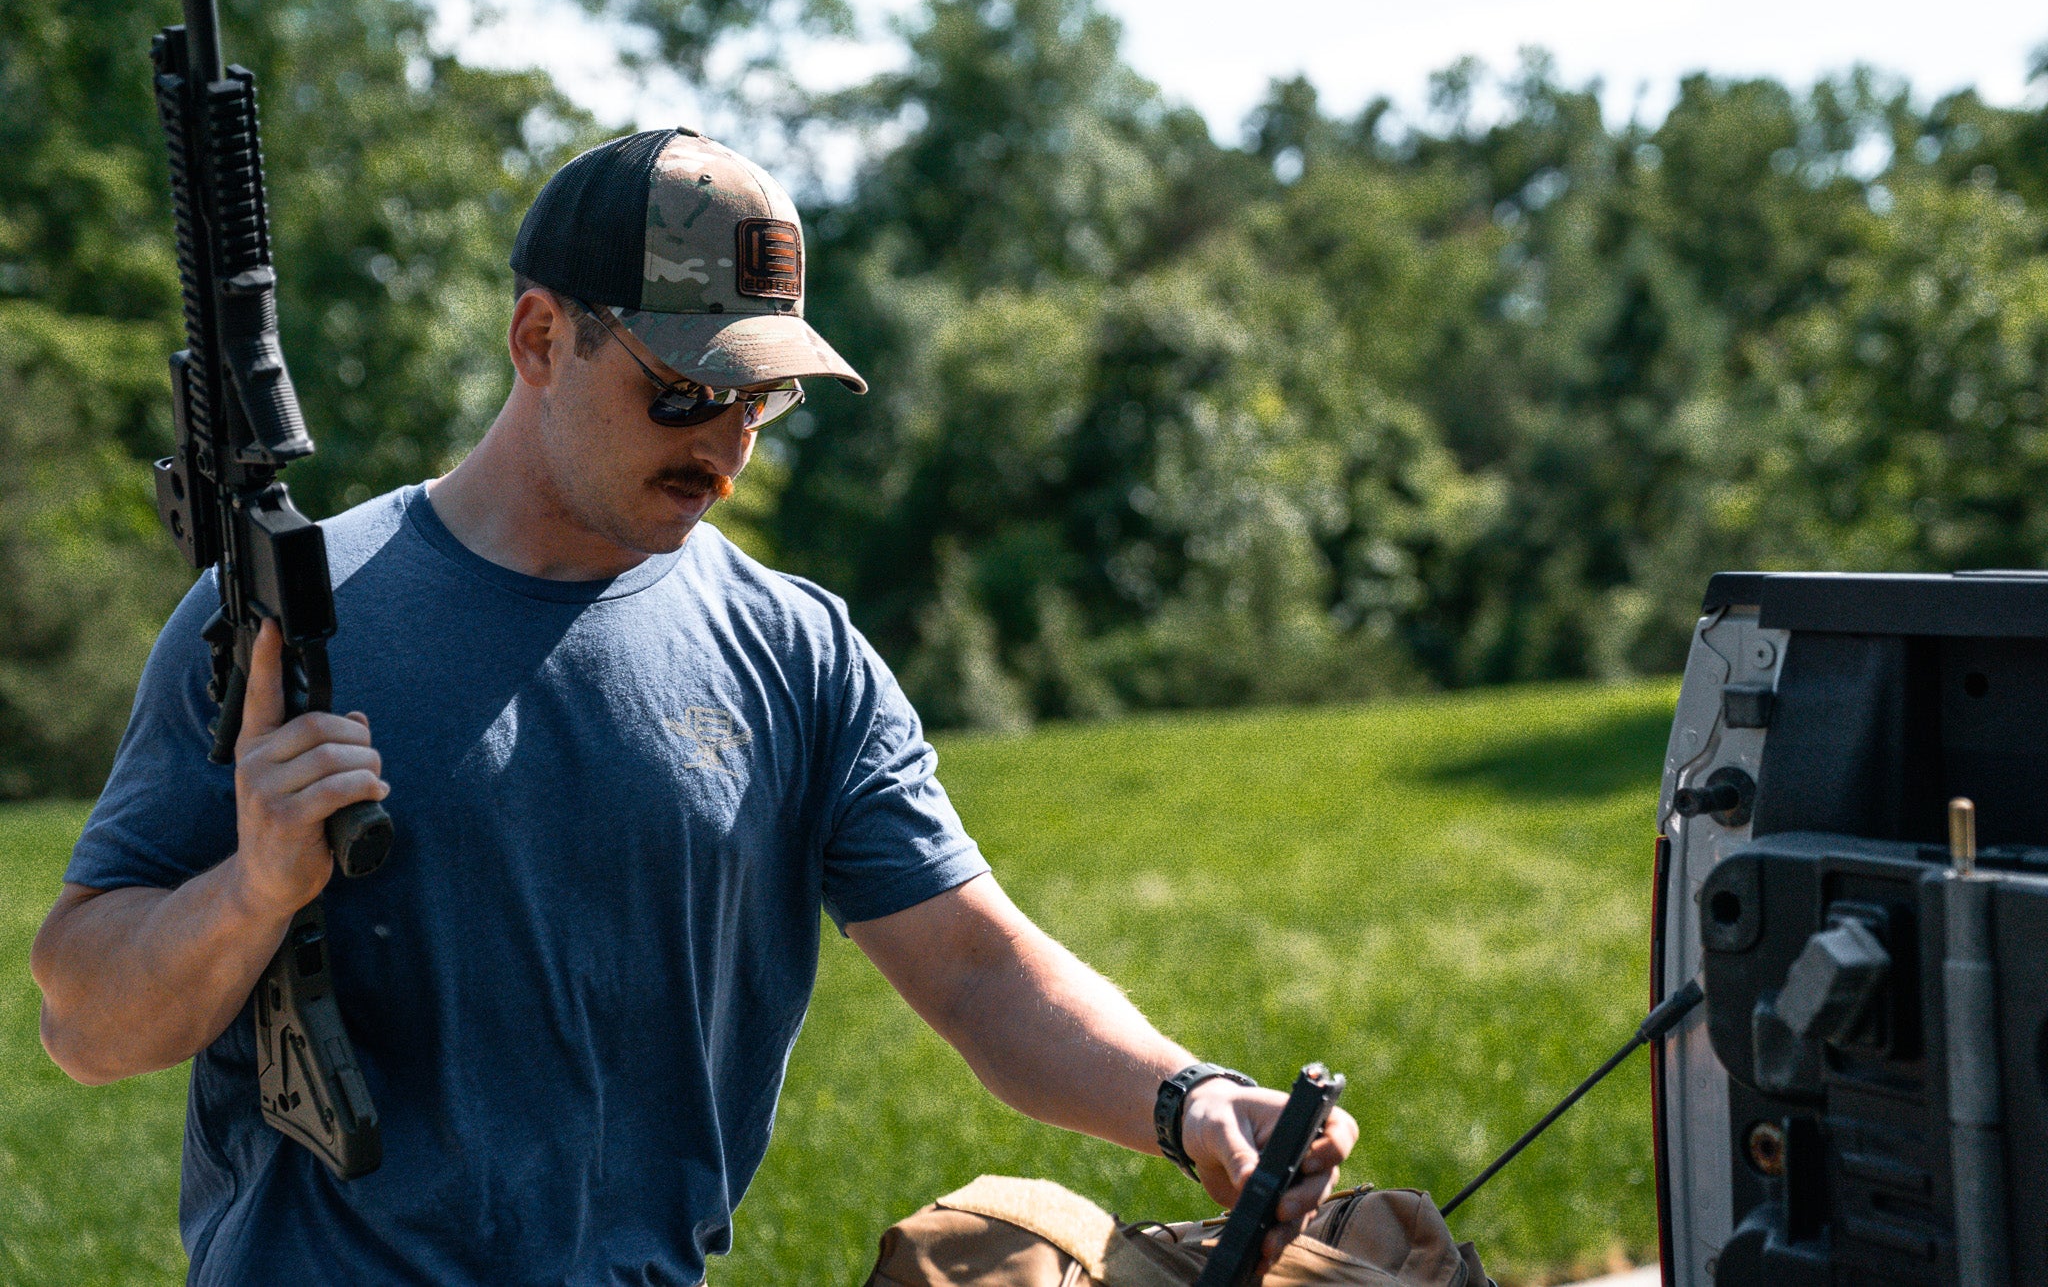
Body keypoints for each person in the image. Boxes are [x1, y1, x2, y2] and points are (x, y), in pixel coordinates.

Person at [30, 128, 1357, 1285]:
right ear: (541, 336)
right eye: (682, 389)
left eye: (758, 397)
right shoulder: (283, 626)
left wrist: (1185, 1100)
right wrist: (254, 888)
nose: (723, 446)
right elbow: (85, 1022)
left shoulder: (795, 654)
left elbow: (973, 968)